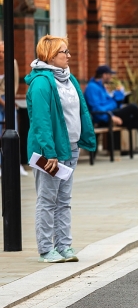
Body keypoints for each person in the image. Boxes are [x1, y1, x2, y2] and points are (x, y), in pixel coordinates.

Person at [26, 36, 96, 263]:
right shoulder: (41, 83)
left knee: (64, 200)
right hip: (51, 153)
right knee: (47, 199)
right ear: (49, 56)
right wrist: (50, 153)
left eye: (67, 51)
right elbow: (41, 121)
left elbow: (81, 111)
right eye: (63, 52)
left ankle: (64, 246)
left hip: (71, 148)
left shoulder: (68, 78)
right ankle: (46, 249)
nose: (69, 56)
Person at [84, 65, 138, 158]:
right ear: (104, 75)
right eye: (109, 74)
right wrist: (112, 116)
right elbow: (96, 109)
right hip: (104, 117)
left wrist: (118, 95)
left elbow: (113, 103)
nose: (111, 77)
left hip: (111, 114)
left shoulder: (102, 87)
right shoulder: (92, 88)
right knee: (132, 107)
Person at [0, 40, 26, 177]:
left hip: (8, 98)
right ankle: (1, 165)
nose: (1, 54)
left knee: (14, 131)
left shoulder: (12, 63)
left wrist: (9, 100)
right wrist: (4, 102)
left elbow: (14, 83)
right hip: (2, 100)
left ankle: (17, 164)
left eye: (3, 51)